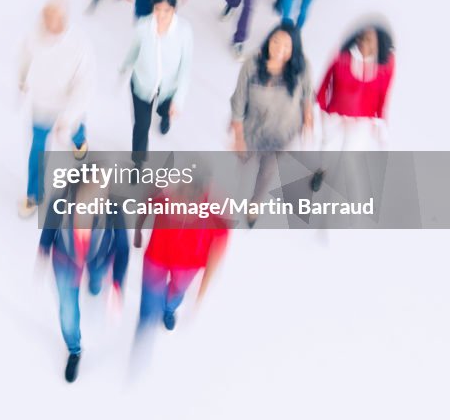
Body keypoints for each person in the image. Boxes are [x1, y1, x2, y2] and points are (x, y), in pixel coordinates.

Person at [38, 180, 130, 383]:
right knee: (67, 310)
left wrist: (116, 283)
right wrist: (44, 247)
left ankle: (95, 284)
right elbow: (49, 227)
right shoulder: (60, 201)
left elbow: (123, 248)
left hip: (99, 259)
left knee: (96, 279)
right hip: (65, 261)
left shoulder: (114, 209)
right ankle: (74, 350)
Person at [230, 23, 314, 221]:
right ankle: (234, 198)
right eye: (276, 42)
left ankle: (255, 203)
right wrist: (238, 136)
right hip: (252, 130)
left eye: (286, 46)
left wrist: (308, 118)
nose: (279, 49)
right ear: (269, 40)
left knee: (267, 173)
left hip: (282, 134)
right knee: (243, 163)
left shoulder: (301, 68)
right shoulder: (252, 64)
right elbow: (238, 101)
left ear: (294, 50)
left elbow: (307, 94)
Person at [18, 1, 94, 218]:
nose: (52, 22)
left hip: (68, 104)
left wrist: (69, 116)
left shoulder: (78, 43)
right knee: (38, 149)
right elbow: (24, 58)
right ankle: (34, 194)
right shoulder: (34, 38)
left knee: (76, 128)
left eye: (57, 17)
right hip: (42, 105)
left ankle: (79, 140)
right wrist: (22, 79)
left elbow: (85, 83)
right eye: (48, 17)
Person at [132, 177, 228, 336]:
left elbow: (217, 254)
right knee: (149, 303)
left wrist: (200, 296)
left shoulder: (215, 216)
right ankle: (146, 323)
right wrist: (138, 232)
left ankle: (168, 309)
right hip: (157, 256)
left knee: (176, 293)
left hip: (188, 265)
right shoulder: (164, 198)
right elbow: (147, 204)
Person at [120, 0, 193, 165]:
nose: (160, 15)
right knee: (141, 127)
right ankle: (138, 162)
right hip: (142, 84)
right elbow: (135, 49)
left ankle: (164, 115)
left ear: (174, 9)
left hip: (169, 87)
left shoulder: (184, 32)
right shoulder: (144, 26)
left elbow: (185, 68)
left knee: (163, 109)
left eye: (166, 10)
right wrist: (124, 68)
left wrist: (178, 100)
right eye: (157, 9)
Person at [316, 25, 395, 151]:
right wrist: (323, 114)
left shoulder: (386, 65)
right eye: (361, 37)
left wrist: (381, 122)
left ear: (379, 43)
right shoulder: (342, 57)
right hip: (335, 118)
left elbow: (384, 95)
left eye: (369, 40)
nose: (363, 42)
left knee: (350, 160)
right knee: (326, 158)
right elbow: (324, 86)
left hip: (362, 123)